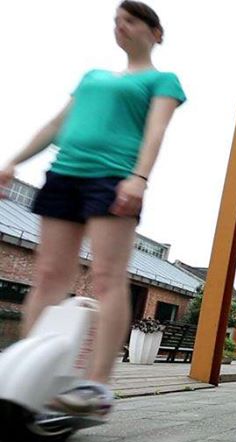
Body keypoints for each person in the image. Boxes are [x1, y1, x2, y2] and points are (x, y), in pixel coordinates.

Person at [0, 1, 185, 418]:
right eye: (117, 20)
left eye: (131, 20)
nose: (121, 26)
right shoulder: (92, 77)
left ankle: (98, 386)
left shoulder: (162, 80)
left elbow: (155, 131)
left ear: (156, 33)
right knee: (48, 275)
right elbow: (56, 125)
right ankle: (26, 377)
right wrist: (12, 162)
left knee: (106, 277)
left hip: (114, 179)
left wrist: (139, 178)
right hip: (64, 174)